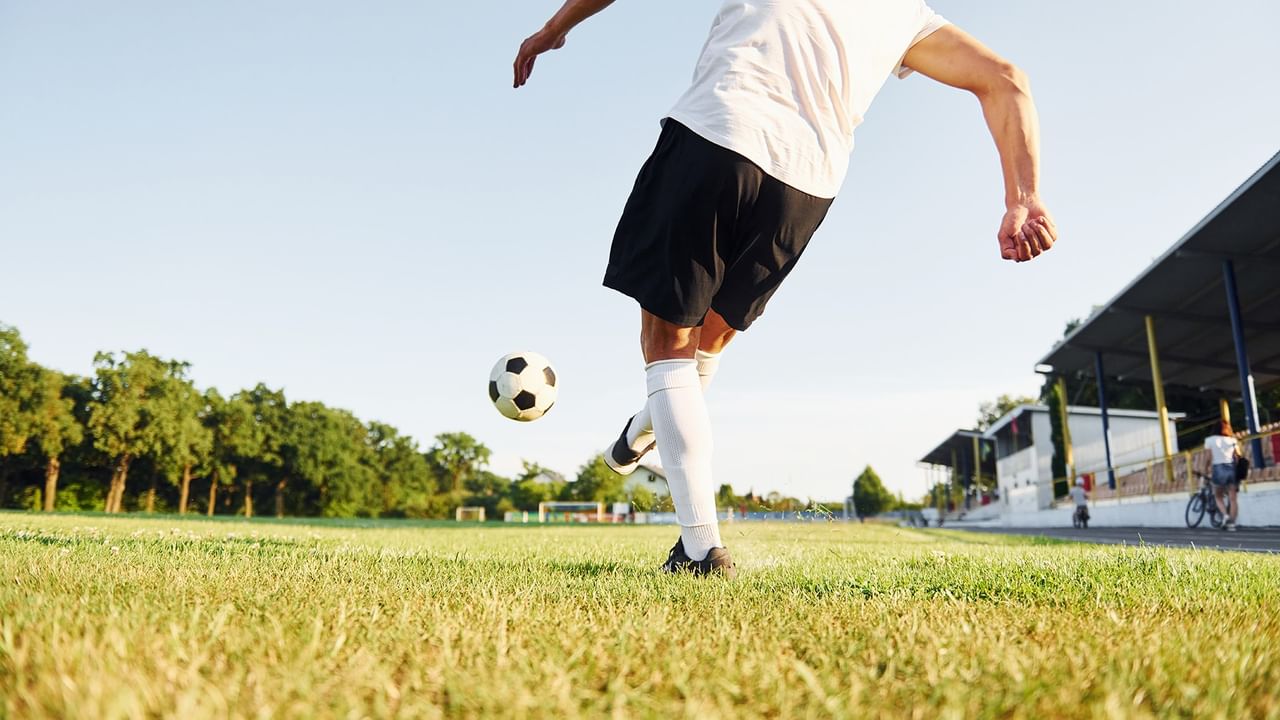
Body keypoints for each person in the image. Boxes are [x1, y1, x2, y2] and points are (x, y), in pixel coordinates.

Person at [513, 0, 1058, 576]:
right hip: (805, 187)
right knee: (707, 346)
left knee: (668, 345)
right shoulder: (901, 13)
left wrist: (555, 29)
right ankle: (645, 428)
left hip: (718, 135)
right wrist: (1022, 197)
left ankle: (701, 550)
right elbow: (1006, 80)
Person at [1203, 419, 1241, 531]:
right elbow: (1238, 455)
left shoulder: (1209, 440)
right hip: (1231, 468)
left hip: (1218, 468)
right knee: (1233, 498)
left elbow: (1208, 457)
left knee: (1218, 496)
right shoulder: (1232, 440)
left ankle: (1225, 515)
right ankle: (1232, 524)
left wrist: (1205, 469)